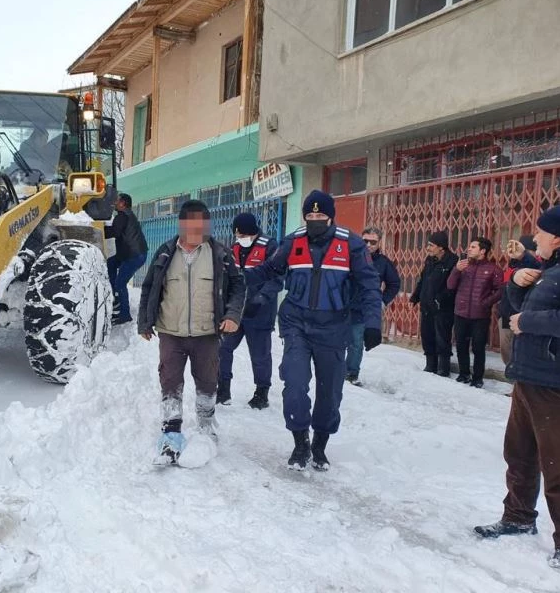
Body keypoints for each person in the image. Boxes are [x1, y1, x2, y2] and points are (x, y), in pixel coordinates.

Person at [246, 190, 382, 471]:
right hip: (296, 324)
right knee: (294, 384)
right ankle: (300, 441)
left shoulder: (352, 245)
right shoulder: (293, 242)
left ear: (331, 216)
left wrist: (372, 323)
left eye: (321, 215)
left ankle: (320, 443)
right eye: (310, 215)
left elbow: (369, 285)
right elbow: (270, 270)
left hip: (333, 327)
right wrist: (237, 275)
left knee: (330, 392)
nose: (315, 220)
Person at [474, 205, 560, 572]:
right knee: (520, 454)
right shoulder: (548, 271)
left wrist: (528, 320)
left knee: (558, 466)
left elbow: (527, 319)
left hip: (556, 383)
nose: (535, 237)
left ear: (558, 236)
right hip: (528, 376)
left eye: (541, 232)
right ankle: (517, 516)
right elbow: (510, 311)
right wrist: (515, 284)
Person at [137, 199, 245, 464]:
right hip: (170, 332)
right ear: (182, 225)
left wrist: (232, 315)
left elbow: (238, 286)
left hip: (206, 333)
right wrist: (144, 322)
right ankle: (171, 432)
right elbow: (150, 287)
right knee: (170, 380)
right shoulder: (165, 252)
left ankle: (206, 425)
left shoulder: (220, 254)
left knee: (207, 381)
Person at [217, 212, 283, 409]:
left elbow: (277, 278)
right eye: (237, 235)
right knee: (223, 348)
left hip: (260, 312)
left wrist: (261, 299)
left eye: (243, 235)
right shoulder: (234, 247)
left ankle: (261, 392)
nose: (240, 239)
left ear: (252, 232)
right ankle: (223, 389)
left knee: (260, 354)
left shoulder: (270, 246)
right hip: (236, 310)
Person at [345, 226, 400, 386]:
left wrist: (382, 301)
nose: (368, 245)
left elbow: (394, 283)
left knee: (356, 343)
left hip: (363, 309)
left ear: (379, 243)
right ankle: (332, 371)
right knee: (335, 340)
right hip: (342, 307)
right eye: (365, 241)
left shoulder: (383, 263)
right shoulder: (349, 257)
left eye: (373, 242)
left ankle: (351, 374)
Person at [446, 237, 503, 388]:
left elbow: (499, 291)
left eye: (473, 247)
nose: (469, 249)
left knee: (478, 348)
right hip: (461, 313)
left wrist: (485, 303)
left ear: (483, 251)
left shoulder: (493, 269)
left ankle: (477, 378)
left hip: (480, 316)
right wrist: (456, 270)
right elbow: (450, 285)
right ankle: (464, 374)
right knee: (461, 346)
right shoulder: (463, 267)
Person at [409, 232, 457, 376]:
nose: (428, 248)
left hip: (443, 308)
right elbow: (423, 280)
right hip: (427, 305)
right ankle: (430, 365)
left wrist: (440, 299)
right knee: (427, 336)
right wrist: (415, 297)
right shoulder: (430, 260)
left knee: (442, 338)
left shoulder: (452, 262)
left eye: (431, 245)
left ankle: (443, 369)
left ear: (441, 247)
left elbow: (452, 287)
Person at [105, 193, 148, 325]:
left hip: (133, 255)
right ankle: (114, 296)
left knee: (120, 283)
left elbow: (114, 232)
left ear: (123, 203)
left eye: (117, 201)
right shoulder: (128, 215)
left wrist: (94, 228)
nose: (114, 203)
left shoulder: (122, 216)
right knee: (111, 264)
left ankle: (125, 315)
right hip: (131, 253)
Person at [497, 235, 541, 365]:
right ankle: (511, 378)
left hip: (523, 317)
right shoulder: (512, 266)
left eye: (523, 250)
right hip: (506, 315)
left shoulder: (537, 266)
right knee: (506, 349)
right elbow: (504, 288)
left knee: (521, 353)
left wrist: (524, 256)